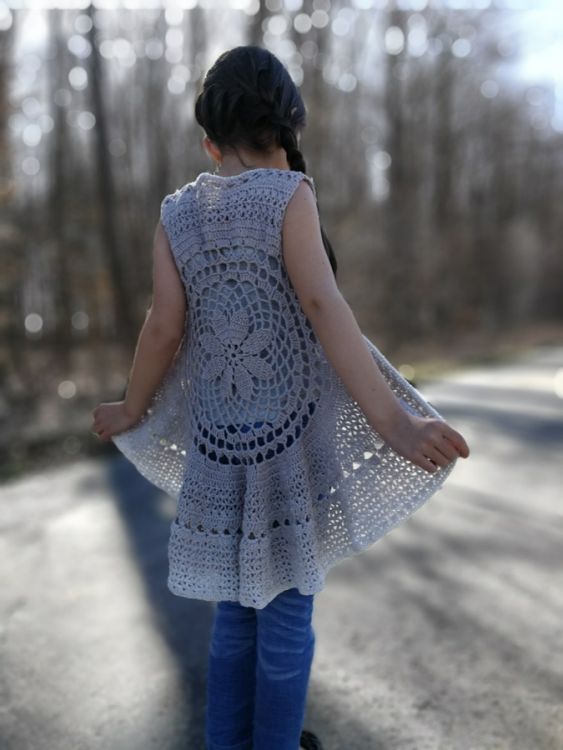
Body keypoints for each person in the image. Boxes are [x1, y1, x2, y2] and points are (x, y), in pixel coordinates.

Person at [92, 45, 470, 750]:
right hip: (288, 448)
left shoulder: (177, 215)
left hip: (219, 451)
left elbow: (164, 326)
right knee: (287, 618)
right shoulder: (289, 196)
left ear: (208, 141)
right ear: (289, 126)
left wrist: (131, 407)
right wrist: (395, 424)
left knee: (235, 618)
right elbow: (324, 307)